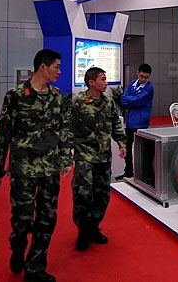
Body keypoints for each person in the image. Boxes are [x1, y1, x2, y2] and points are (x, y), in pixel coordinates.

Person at [0, 49, 72, 282]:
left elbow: (63, 131)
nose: (60, 71)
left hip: (50, 169)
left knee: (47, 219)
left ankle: (35, 267)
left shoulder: (57, 96)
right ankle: (18, 247)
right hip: (23, 169)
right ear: (43, 67)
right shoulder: (16, 96)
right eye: (56, 66)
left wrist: (65, 159)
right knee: (22, 220)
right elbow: (3, 133)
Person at [71, 67, 126, 252]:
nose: (106, 82)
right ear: (91, 82)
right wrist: (65, 153)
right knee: (83, 195)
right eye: (102, 79)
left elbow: (116, 124)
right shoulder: (79, 103)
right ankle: (83, 231)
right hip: (84, 158)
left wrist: (122, 143)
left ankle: (94, 227)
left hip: (103, 158)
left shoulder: (108, 102)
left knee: (102, 196)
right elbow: (69, 128)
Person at [116, 63, 154, 180]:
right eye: (141, 76)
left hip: (141, 121)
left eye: (146, 77)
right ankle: (128, 171)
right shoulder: (132, 83)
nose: (143, 79)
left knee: (141, 150)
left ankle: (143, 173)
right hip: (130, 121)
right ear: (137, 73)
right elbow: (123, 99)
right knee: (127, 146)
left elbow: (139, 101)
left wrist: (130, 101)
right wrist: (131, 101)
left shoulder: (149, 87)